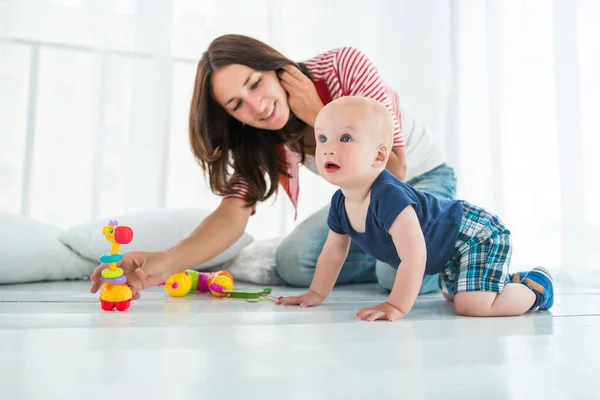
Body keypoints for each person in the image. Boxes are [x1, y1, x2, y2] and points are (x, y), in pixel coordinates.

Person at [89, 34, 455, 298]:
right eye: (237, 105)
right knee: (293, 262)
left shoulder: (342, 67)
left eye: (255, 84)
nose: (258, 107)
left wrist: (319, 115)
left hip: (419, 185)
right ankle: (392, 256)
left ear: (273, 68)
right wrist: (165, 262)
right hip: (360, 199)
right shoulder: (263, 135)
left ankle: (457, 249)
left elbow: (395, 169)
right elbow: (232, 213)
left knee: (395, 277)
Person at [276, 96, 554, 321]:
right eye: (323, 138)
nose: (328, 149)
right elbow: (333, 252)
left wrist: (396, 305)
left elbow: (414, 255)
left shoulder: (388, 194)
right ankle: (506, 281)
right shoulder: (341, 202)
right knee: (454, 295)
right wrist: (315, 293)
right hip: (446, 254)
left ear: (379, 155)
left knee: (472, 305)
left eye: (345, 138)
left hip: (474, 234)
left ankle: (536, 287)